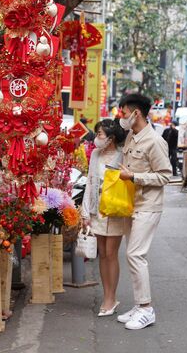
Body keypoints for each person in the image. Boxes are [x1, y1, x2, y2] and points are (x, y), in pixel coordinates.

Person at [116, 93, 171, 330]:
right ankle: (139, 306)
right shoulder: (131, 135)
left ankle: (147, 309)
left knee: (135, 255)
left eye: (124, 113)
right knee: (133, 254)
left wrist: (134, 176)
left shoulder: (155, 141)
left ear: (136, 113)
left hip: (148, 205)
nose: (122, 117)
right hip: (131, 203)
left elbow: (165, 175)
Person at [81, 119, 129, 317]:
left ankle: (112, 297)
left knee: (111, 253)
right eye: (98, 133)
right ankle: (107, 296)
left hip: (115, 209)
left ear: (111, 138)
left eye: (100, 134)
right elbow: (90, 183)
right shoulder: (94, 154)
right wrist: (85, 212)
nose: (97, 138)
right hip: (97, 208)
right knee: (102, 252)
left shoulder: (123, 154)